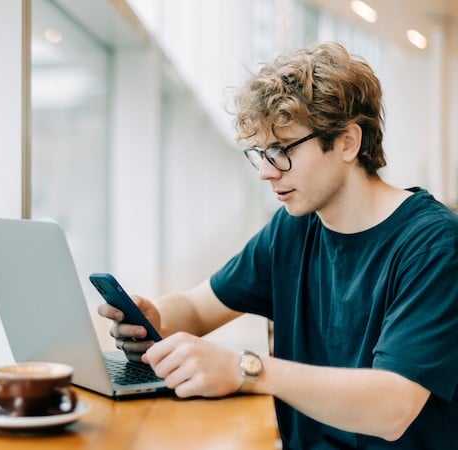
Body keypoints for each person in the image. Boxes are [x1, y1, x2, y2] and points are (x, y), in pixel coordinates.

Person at [98, 41, 458, 449]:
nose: (266, 173)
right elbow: (199, 307)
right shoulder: (293, 228)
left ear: (347, 142)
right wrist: (154, 317)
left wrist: (245, 370)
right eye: (262, 153)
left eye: (281, 151)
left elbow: (393, 407)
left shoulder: (435, 244)